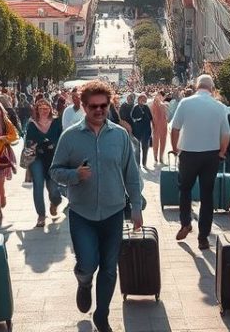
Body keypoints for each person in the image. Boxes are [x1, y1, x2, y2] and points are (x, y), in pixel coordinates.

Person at [50, 80, 144, 332]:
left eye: (104, 105)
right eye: (94, 106)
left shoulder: (120, 135)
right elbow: (55, 171)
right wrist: (74, 176)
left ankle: (102, 314)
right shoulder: (70, 137)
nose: (99, 110)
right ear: (83, 106)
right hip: (82, 212)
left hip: (113, 212)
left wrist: (136, 206)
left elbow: (131, 174)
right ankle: (83, 281)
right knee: (89, 263)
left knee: (109, 267)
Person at [170, 74, 230, 251]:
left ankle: (185, 223)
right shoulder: (219, 106)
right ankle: (203, 237)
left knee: (185, 190)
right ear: (212, 89)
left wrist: (175, 149)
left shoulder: (185, 103)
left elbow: (175, 128)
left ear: (197, 86)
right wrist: (222, 152)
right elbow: (226, 133)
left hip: (188, 153)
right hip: (211, 155)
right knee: (207, 195)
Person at [24, 97, 63, 227]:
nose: (44, 111)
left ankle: (54, 203)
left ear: (50, 109)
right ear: (37, 110)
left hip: (53, 158)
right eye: (41, 109)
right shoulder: (31, 124)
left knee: (54, 190)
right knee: (38, 185)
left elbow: (62, 138)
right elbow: (28, 142)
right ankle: (41, 215)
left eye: (46, 108)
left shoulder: (57, 122)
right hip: (37, 158)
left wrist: (54, 145)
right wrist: (36, 145)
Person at [130, 94, 153, 168]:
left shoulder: (146, 107)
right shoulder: (135, 107)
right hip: (138, 130)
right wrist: (138, 118)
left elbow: (150, 117)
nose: (144, 101)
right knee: (137, 148)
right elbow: (133, 117)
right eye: (143, 99)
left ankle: (144, 163)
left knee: (145, 148)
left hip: (146, 131)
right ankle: (137, 164)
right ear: (139, 99)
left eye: (145, 99)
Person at [150, 90, 170, 164]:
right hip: (156, 126)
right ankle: (155, 157)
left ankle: (161, 157)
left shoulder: (165, 104)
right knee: (155, 142)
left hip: (164, 126)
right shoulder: (154, 104)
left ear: (163, 97)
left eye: (160, 95)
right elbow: (152, 113)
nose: (158, 96)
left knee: (163, 142)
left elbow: (168, 115)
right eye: (157, 95)